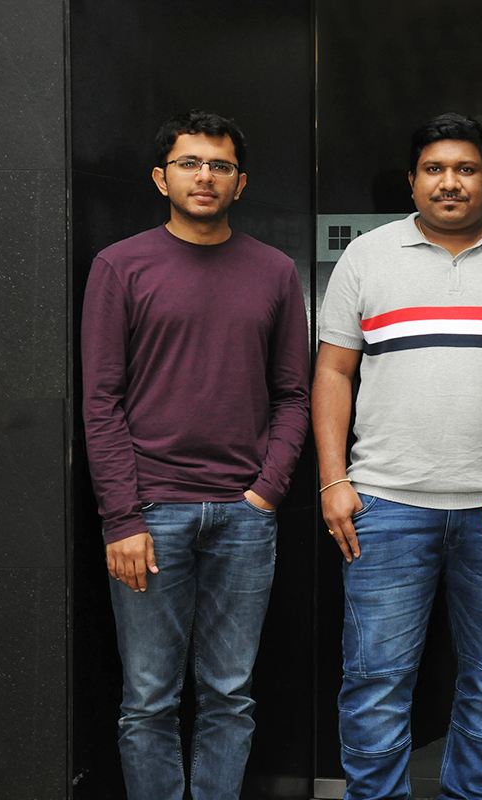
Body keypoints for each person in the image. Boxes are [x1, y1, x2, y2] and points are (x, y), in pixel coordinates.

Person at [313, 113, 482, 800]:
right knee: (375, 679)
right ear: (412, 180)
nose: (449, 183)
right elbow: (333, 371)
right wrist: (333, 480)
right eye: (434, 169)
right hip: (386, 505)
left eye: (465, 170)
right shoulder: (367, 257)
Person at [82, 109, 310, 800]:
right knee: (149, 698)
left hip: (244, 517)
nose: (204, 176)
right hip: (150, 516)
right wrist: (122, 518)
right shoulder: (120, 266)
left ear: (240, 182)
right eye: (190, 163)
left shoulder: (274, 272)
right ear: (162, 178)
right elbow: (101, 401)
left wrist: (267, 492)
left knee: (230, 696)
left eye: (220, 165)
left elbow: (293, 394)